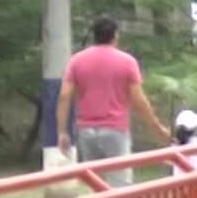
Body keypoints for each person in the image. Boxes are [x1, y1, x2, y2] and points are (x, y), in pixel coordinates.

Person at [55, 16, 171, 187]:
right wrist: (156, 127)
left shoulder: (76, 61)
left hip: (86, 130)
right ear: (115, 35)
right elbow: (138, 100)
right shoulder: (127, 62)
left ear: (94, 36)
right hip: (115, 130)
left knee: (94, 182)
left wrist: (62, 132)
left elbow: (64, 96)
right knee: (119, 185)